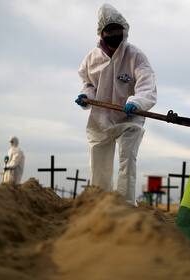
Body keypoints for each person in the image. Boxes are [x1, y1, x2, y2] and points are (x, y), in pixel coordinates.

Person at [75, 4, 157, 204]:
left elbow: (147, 87)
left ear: (124, 30)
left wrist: (136, 101)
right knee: (99, 162)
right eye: (109, 31)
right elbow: (88, 83)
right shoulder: (91, 59)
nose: (114, 34)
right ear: (102, 33)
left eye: (117, 30)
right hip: (100, 119)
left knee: (127, 159)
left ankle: (125, 205)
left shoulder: (135, 56)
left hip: (130, 118)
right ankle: (100, 204)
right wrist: (85, 95)